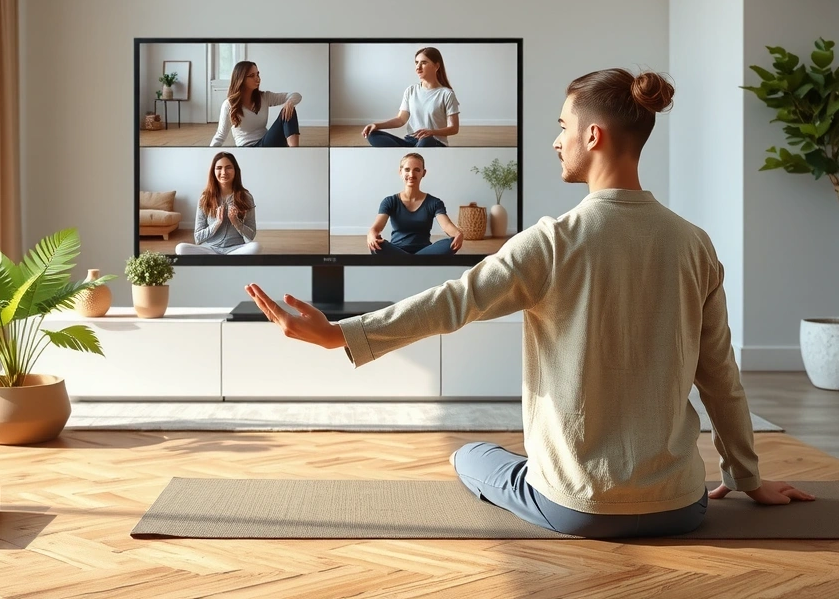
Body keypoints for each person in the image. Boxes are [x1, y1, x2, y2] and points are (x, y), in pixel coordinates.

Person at [244, 68, 815, 539]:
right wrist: (748, 478)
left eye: (563, 126)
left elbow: (453, 301)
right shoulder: (694, 243)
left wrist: (341, 334)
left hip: (578, 507)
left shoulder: (552, 242)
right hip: (682, 507)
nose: (555, 139)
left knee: (470, 453)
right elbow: (720, 375)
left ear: (593, 136)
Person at [367, 152, 463, 256]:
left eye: (417, 170)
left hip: (425, 251)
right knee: (376, 244)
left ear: (423, 173)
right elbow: (377, 227)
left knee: (450, 243)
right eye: (407, 169)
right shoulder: (390, 201)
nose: (412, 175)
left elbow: (447, 225)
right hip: (397, 250)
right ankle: (417, 262)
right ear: (400, 172)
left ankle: (406, 263)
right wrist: (371, 234)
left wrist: (458, 234)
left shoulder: (434, 202)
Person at [362, 47, 460, 148]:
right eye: (416, 62)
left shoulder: (447, 94)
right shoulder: (411, 90)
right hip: (410, 141)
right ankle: (412, 154)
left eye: (424, 63)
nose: (418, 67)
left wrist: (431, 132)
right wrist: (377, 125)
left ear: (436, 66)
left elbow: (454, 128)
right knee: (372, 134)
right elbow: (400, 120)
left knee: (425, 141)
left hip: (433, 141)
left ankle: (410, 154)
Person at [175, 152, 262, 255]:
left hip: (236, 248)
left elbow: (251, 235)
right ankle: (227, 263)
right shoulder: (205, 197)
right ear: (213, 171)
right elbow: (198, 237)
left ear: (235, 171)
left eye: (228, 167)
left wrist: (236, 222)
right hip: (211, 249)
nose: (224, 172)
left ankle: (219, 262)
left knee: (256, 247)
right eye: (219, 168)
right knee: (180, 248)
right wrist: (216, 223)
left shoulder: (246, 197)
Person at [210, 61, 302, 148]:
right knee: (288, 109)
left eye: (258, 74)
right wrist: (207, 155)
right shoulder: (229, 104)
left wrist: (289, 103)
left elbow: (296, 95)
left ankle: (294, 152)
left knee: (289, 109)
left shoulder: (264, 97)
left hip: (266, 143)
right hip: (247, 149)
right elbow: (220, 135)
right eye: (252, 75)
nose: (257, 78)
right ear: (241, 79)